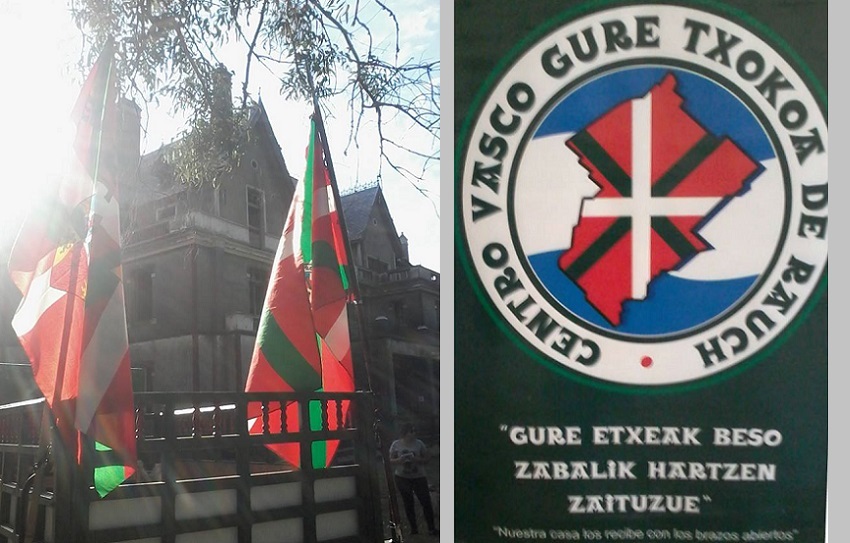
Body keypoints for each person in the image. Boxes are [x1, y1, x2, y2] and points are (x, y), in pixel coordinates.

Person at [389, 423, 438, 536]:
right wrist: (399, 460)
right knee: (408, 503)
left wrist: (416, 459)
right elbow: (390, 460)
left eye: (415, 431)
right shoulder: (396, 444)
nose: (414, 434)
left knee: (426, 502)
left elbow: (427, 458)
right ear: (405, 433)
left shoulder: (419, 444)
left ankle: (431, 528)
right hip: (402, 478)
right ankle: (413, 529)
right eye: (411, 431)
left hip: (419, 477)